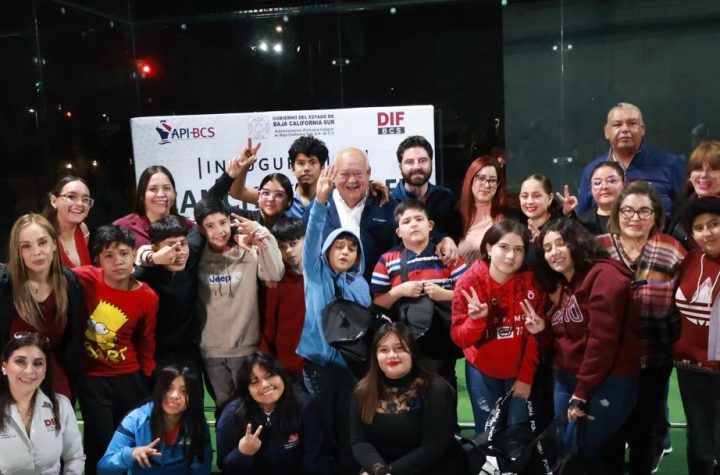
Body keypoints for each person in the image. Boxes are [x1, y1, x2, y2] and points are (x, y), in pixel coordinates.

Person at [524, 219, 641, 470]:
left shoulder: (604, 276)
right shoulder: (568, 283)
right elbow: (565, 338)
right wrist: (542, 331)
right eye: (547, 248)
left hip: (607, 380)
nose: (554, 252)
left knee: (582, 450)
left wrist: (582, 391)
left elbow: (602, 341)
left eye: (561, 243)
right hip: (568, 377)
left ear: (576, 242)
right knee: (568, 449)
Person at [596, 181, 686, 474]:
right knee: (609, 431)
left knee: (646, 431)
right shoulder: (598, 248)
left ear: (656, 215)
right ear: (617, 213)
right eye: (627, 210)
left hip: (655, 359)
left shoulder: (672, 250)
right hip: (608, 362)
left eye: (644, 211)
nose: (634, 218)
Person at [296, 165, 371, 474]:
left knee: (349, 432)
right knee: (320, 431)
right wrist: (320, 201)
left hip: (351, 370)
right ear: (327, 251)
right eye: (338, 246)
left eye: (351, 248)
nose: (344, 252)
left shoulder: (361, 284)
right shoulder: (315, 275)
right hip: (319, 368)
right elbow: (313, 236)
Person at [73, 224, 159, 475]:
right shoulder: (85, 278)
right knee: (99, 442)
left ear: (134, 255)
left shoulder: (148, 297)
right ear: (98, 259)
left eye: (123, 253)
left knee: (131, 441)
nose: (118, 261)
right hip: (92, 379)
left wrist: (145, 377)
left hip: (130, 378)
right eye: (108, 255)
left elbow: (146, 341)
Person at [451, 219, 545, 434]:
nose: (511, 256)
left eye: (518, 249)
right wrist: (476, 321)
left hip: (520, 369)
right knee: (487, 434)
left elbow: (536, 337)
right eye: (503, 247)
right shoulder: (469, 281)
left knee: (518, 435)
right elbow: (459, 338)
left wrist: (525, 378)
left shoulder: (533, 281)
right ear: (489, 247)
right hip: (481, 369)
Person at [194, 197, 284, 410]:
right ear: (201, 229)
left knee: (252, 407)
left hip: (246, 347)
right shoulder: (196, 257)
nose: (219, 231)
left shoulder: (248, 250)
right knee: (225, 409)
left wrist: (264, 235)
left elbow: (275, 274)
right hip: (211, 350)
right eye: (210, 226)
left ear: (230, 221)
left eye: (222, 223)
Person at [351, 322, 470, 475]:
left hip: (433, 468)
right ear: (375, 355)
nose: (392, 356)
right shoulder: (363, 391)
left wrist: (390, 472)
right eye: (384, 350)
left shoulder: (436, 389)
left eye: (399, 348)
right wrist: (377, 469)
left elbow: (434, 447)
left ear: (412, 353)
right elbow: (360, 441)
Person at [371, 199, 467, 386]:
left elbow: (471, 295)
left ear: (430, 225)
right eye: (406, 221)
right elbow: (377, 303)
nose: (413, 224)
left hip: (443, 342)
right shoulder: (387, 260)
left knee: (443, 387)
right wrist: (399, 291)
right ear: (398, 232)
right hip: (405, 343)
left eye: (419, 219)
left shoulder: (448, 256)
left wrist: (444, 294)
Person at [0, 214, 85, 401]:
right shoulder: (4, 284)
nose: (36, 252)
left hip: (53, 374)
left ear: (54, 244)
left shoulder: (69, 282)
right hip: (8, 377)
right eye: (26, 246)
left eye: (42, 243)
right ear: (17, 251)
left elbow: (73, 341)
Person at [216, 351, 330, 474]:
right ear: (247, 389)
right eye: (254, 382)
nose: (265, 384)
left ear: (282, 376)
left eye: (270, 376)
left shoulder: (305, 406)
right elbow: (225, 467)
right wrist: (242, 454)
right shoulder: (232, 415)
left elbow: (316, 460)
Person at [673, 196, 720, 474]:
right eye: (699, 228)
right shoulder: (689, 260)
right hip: (689, 368)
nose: (707, 233)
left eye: (714, 224)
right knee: (700, 445)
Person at [303, 147, 398, 283]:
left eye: (358, 174)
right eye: (345, 174)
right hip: (329, 292)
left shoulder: (385, 203)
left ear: (368, 173)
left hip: (377, 291)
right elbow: (308, 251)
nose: (352, 180)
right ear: (334, 174)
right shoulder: (318, 207)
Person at [97, 363, 212, 474]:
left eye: (184, 391)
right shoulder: (135, 420)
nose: (174, 395)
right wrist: (130, 454)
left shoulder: (197, 423)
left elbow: (202, 469)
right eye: (168, 388)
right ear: (158, 390)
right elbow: (103, 469)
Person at [577, 102, 685, 216]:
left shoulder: (671, 164)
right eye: (617, 125)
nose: (625, 129)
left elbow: (686, 214)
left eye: (632, 123)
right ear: (606, 131)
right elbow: (582, 218)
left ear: (642, 129)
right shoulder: (593, 170)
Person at [0, 332, 85, 474]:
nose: (29, 371)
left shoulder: (61, 405)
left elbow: (74, 457)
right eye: (20, 361)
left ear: (45, 371)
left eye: (38, 363)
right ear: (4, 366)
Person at [133, 215, 203, 371]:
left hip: (189, 350)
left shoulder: (192, 255)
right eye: (171, 246)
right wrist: (150, 258)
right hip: (155, 355)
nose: (180, 252)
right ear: (155, 248)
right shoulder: (141, 278)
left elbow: (209, 221)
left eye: (183, 244)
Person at [114, 164, 234, 249]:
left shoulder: (188, 227)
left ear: (175, 194)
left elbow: (206, 208)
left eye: (166, 188)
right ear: (142, 195)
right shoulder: (121, 228)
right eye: (153, 189)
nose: (161, 194)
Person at [230, 136, 328, 218]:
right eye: (301, 163)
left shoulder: (333, 197)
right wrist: (245, 165)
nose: (306, 168)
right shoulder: (281, 195)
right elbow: (237, 193)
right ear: (292, 168)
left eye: (313, 162)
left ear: (322, 167)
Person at [260, 217, 308, 377]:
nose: (288, 251)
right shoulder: (276, 282)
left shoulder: (321, 275)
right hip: (288, 364)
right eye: (281, 246)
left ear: (306, 239)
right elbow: (269, 325)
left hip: (320, 363)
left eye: (293, 243)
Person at [390, 135, 461, 241]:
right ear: (400, 168)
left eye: (422, 161)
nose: (416, 167)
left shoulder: (446, 197)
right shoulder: (389, 203)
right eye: (409, 162)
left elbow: (457, 236)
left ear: (431, 163)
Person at [457, 155, 512, 264]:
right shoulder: (454, 216)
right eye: (481, 178)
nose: (486, 185)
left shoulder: (508, 216)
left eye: (492, 180)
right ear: (470, 179)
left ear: (498, 185)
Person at [667, 140, 720, 248]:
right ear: (690, 175)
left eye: (713, 169)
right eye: (698, 169)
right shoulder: (683, 199)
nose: (704, 175)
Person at [43, 176, 93, 267]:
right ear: (54, 201)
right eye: (71, 197)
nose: (80, 204)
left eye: (85, 199)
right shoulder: (42, 235)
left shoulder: (83, 229)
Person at [577, 161, 626, 235]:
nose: (604, 186)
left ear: (624, 184)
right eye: (597, 183)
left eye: (612, 181)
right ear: (591, 188)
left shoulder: (635, 217)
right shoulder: (583, 222)